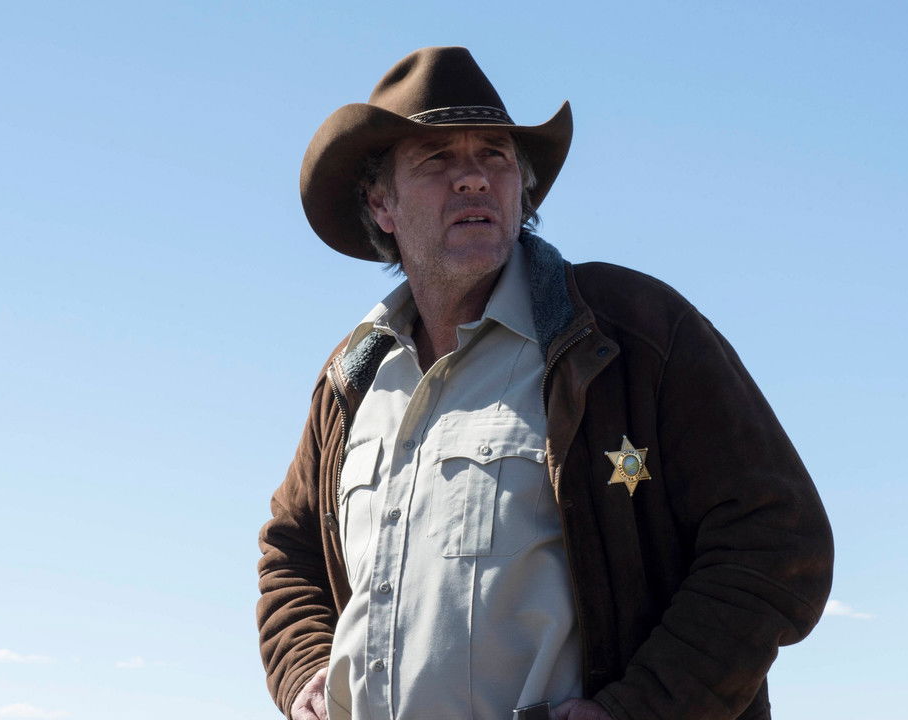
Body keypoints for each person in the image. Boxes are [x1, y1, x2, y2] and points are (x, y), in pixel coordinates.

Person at [257, 46, 833, 720]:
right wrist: (304, 668)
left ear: (522, 190)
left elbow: (777, 536)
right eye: (437, 159)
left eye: (494, 156)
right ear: (381, 203)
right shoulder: (352, 380)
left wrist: (639, 710)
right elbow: (290, 550)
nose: (473, 179)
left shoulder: (632, 333)